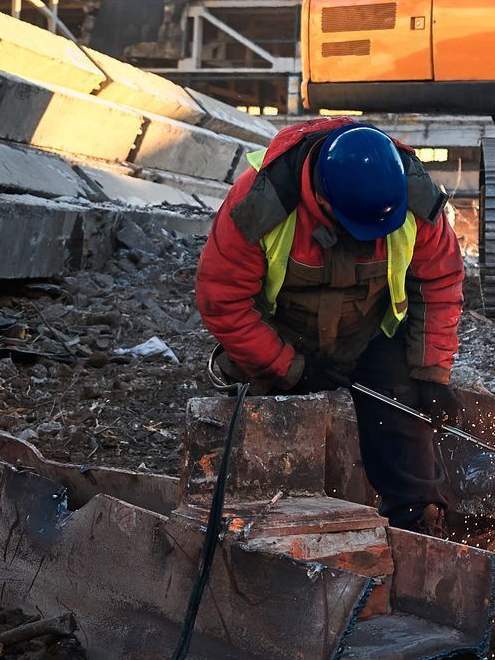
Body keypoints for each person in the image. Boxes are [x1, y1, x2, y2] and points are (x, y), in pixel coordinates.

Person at [195, 115, 464, 535]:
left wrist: (433, 373)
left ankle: (416, 523)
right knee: (271, 433)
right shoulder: (261, 203)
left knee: (402, 404)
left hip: (371, 333)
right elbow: (223, 301)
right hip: (284, 338)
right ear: (323, 197)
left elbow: (440, 282)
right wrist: (288, 367)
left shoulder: (413, 196)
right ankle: (264, 526)